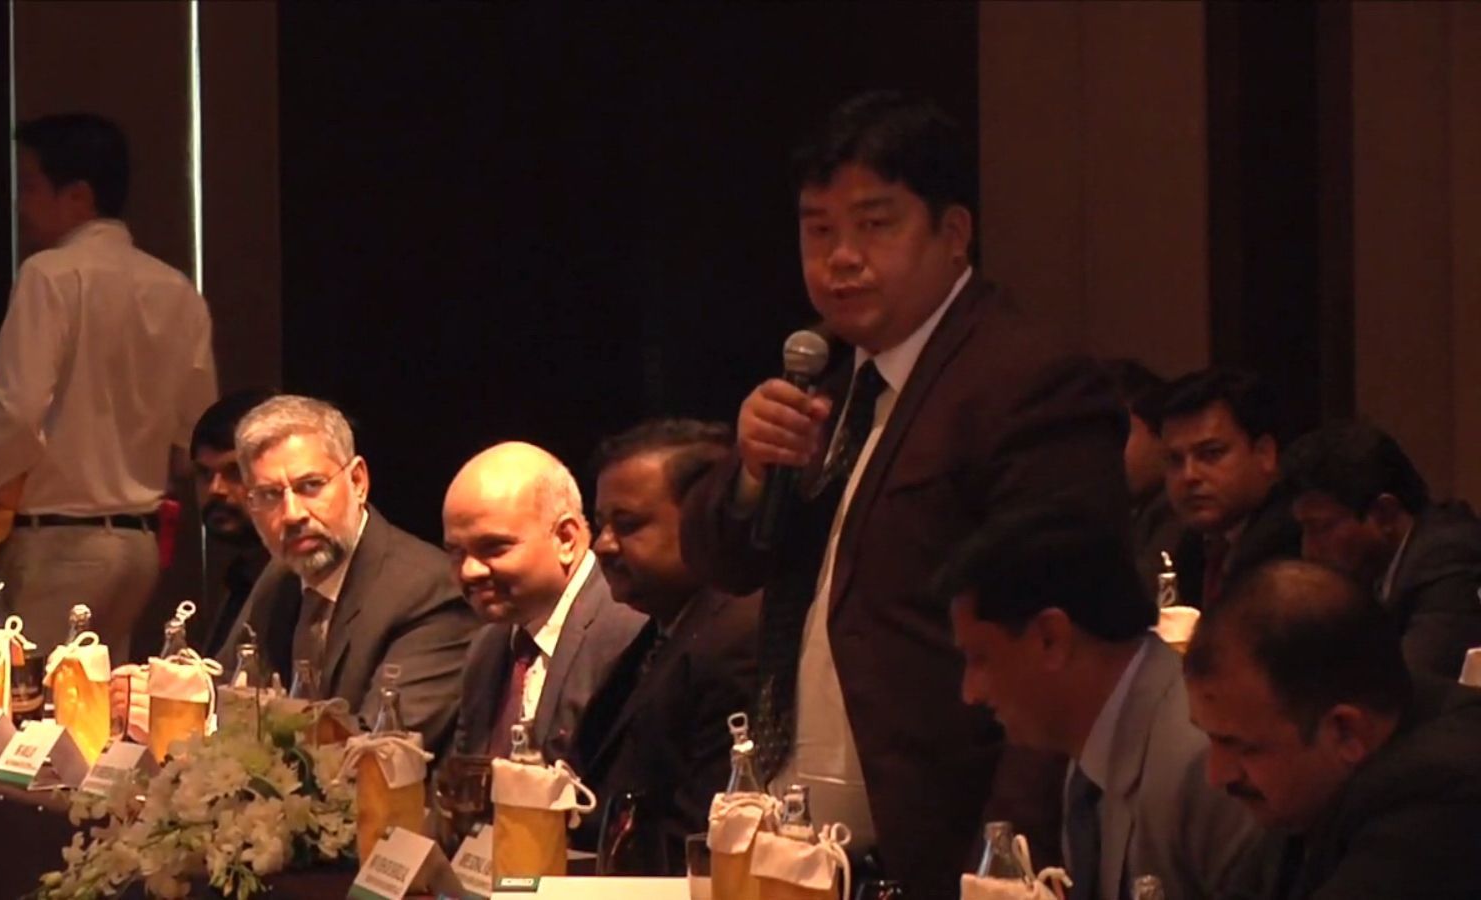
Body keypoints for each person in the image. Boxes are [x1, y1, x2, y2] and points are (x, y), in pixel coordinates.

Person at [680, 90, 1129, 894]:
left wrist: (1005, 860)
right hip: (799, 838)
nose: (841, 258)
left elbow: (1064, 647)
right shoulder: (824, 375)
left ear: (953, 233)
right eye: (819, 230)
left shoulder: (1025, 380)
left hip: (940, 841)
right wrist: (749, 473)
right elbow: (723, 563)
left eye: (874, 225)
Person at [0, 113, 217, 654]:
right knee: (97, 701)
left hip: (60, 540)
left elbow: (19, 412)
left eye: (30, 186)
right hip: (139, 545)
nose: (21, 204)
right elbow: (194, 437)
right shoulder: (177, 289)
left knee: (32, 699)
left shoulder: (50, 274)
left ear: (77, 197)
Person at [941, 507, 1264, 900]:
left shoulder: (1196, 758)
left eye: (980, 658)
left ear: (1050, 639)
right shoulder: (1091, 748)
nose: (970, 692)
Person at [1184, 560, 1481, 898]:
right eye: (1211, 738)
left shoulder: (1444, 802)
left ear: (1345, 731)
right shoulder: (1315, 785)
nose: (1216, 774)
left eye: (1243, 747)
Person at [233, 395, 478, 750]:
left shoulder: (428, 592)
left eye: (310, 485)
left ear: (358, 481)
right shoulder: (281, 574)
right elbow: (227, 692)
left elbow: (377, 748)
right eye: (270, 495)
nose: (292, 514)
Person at [573, 420, 759, 873]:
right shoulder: (667, 627)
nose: (601, 545)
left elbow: (699, 841)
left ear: (703, 518)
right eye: (600, 525)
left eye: (628, 524)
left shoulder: (733, 639)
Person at [443, 442, 647, 763]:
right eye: (456, 552)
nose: (469, 571)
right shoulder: (488, 647)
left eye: (494, 547)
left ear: (565, 539)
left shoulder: (630, 635)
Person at [1283, 421, 1481, 678]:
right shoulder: (1372, 570)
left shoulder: (1447, 560)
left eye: (1322, 528)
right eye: (1304, 530)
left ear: (1385, 513)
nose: (1308, 550)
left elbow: (1407, 687)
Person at [1145, 368, 1298, 608]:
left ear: (1264, 453)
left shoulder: (1295, 547)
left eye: (1211, 454)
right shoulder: (1194, 544)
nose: (1189, 475)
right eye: (1175, 460)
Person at [188, 387, 277, 657]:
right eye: (204, 473)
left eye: (235, 472)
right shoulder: (242, 574)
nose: (215, 489)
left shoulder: (302, 583)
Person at [1101, 359, 1184, 601]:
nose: (1105, 451)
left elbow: (1134, 602)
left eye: (1118, 433)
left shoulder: (1179, 506)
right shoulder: (1124, 509)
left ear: (1162, 435)